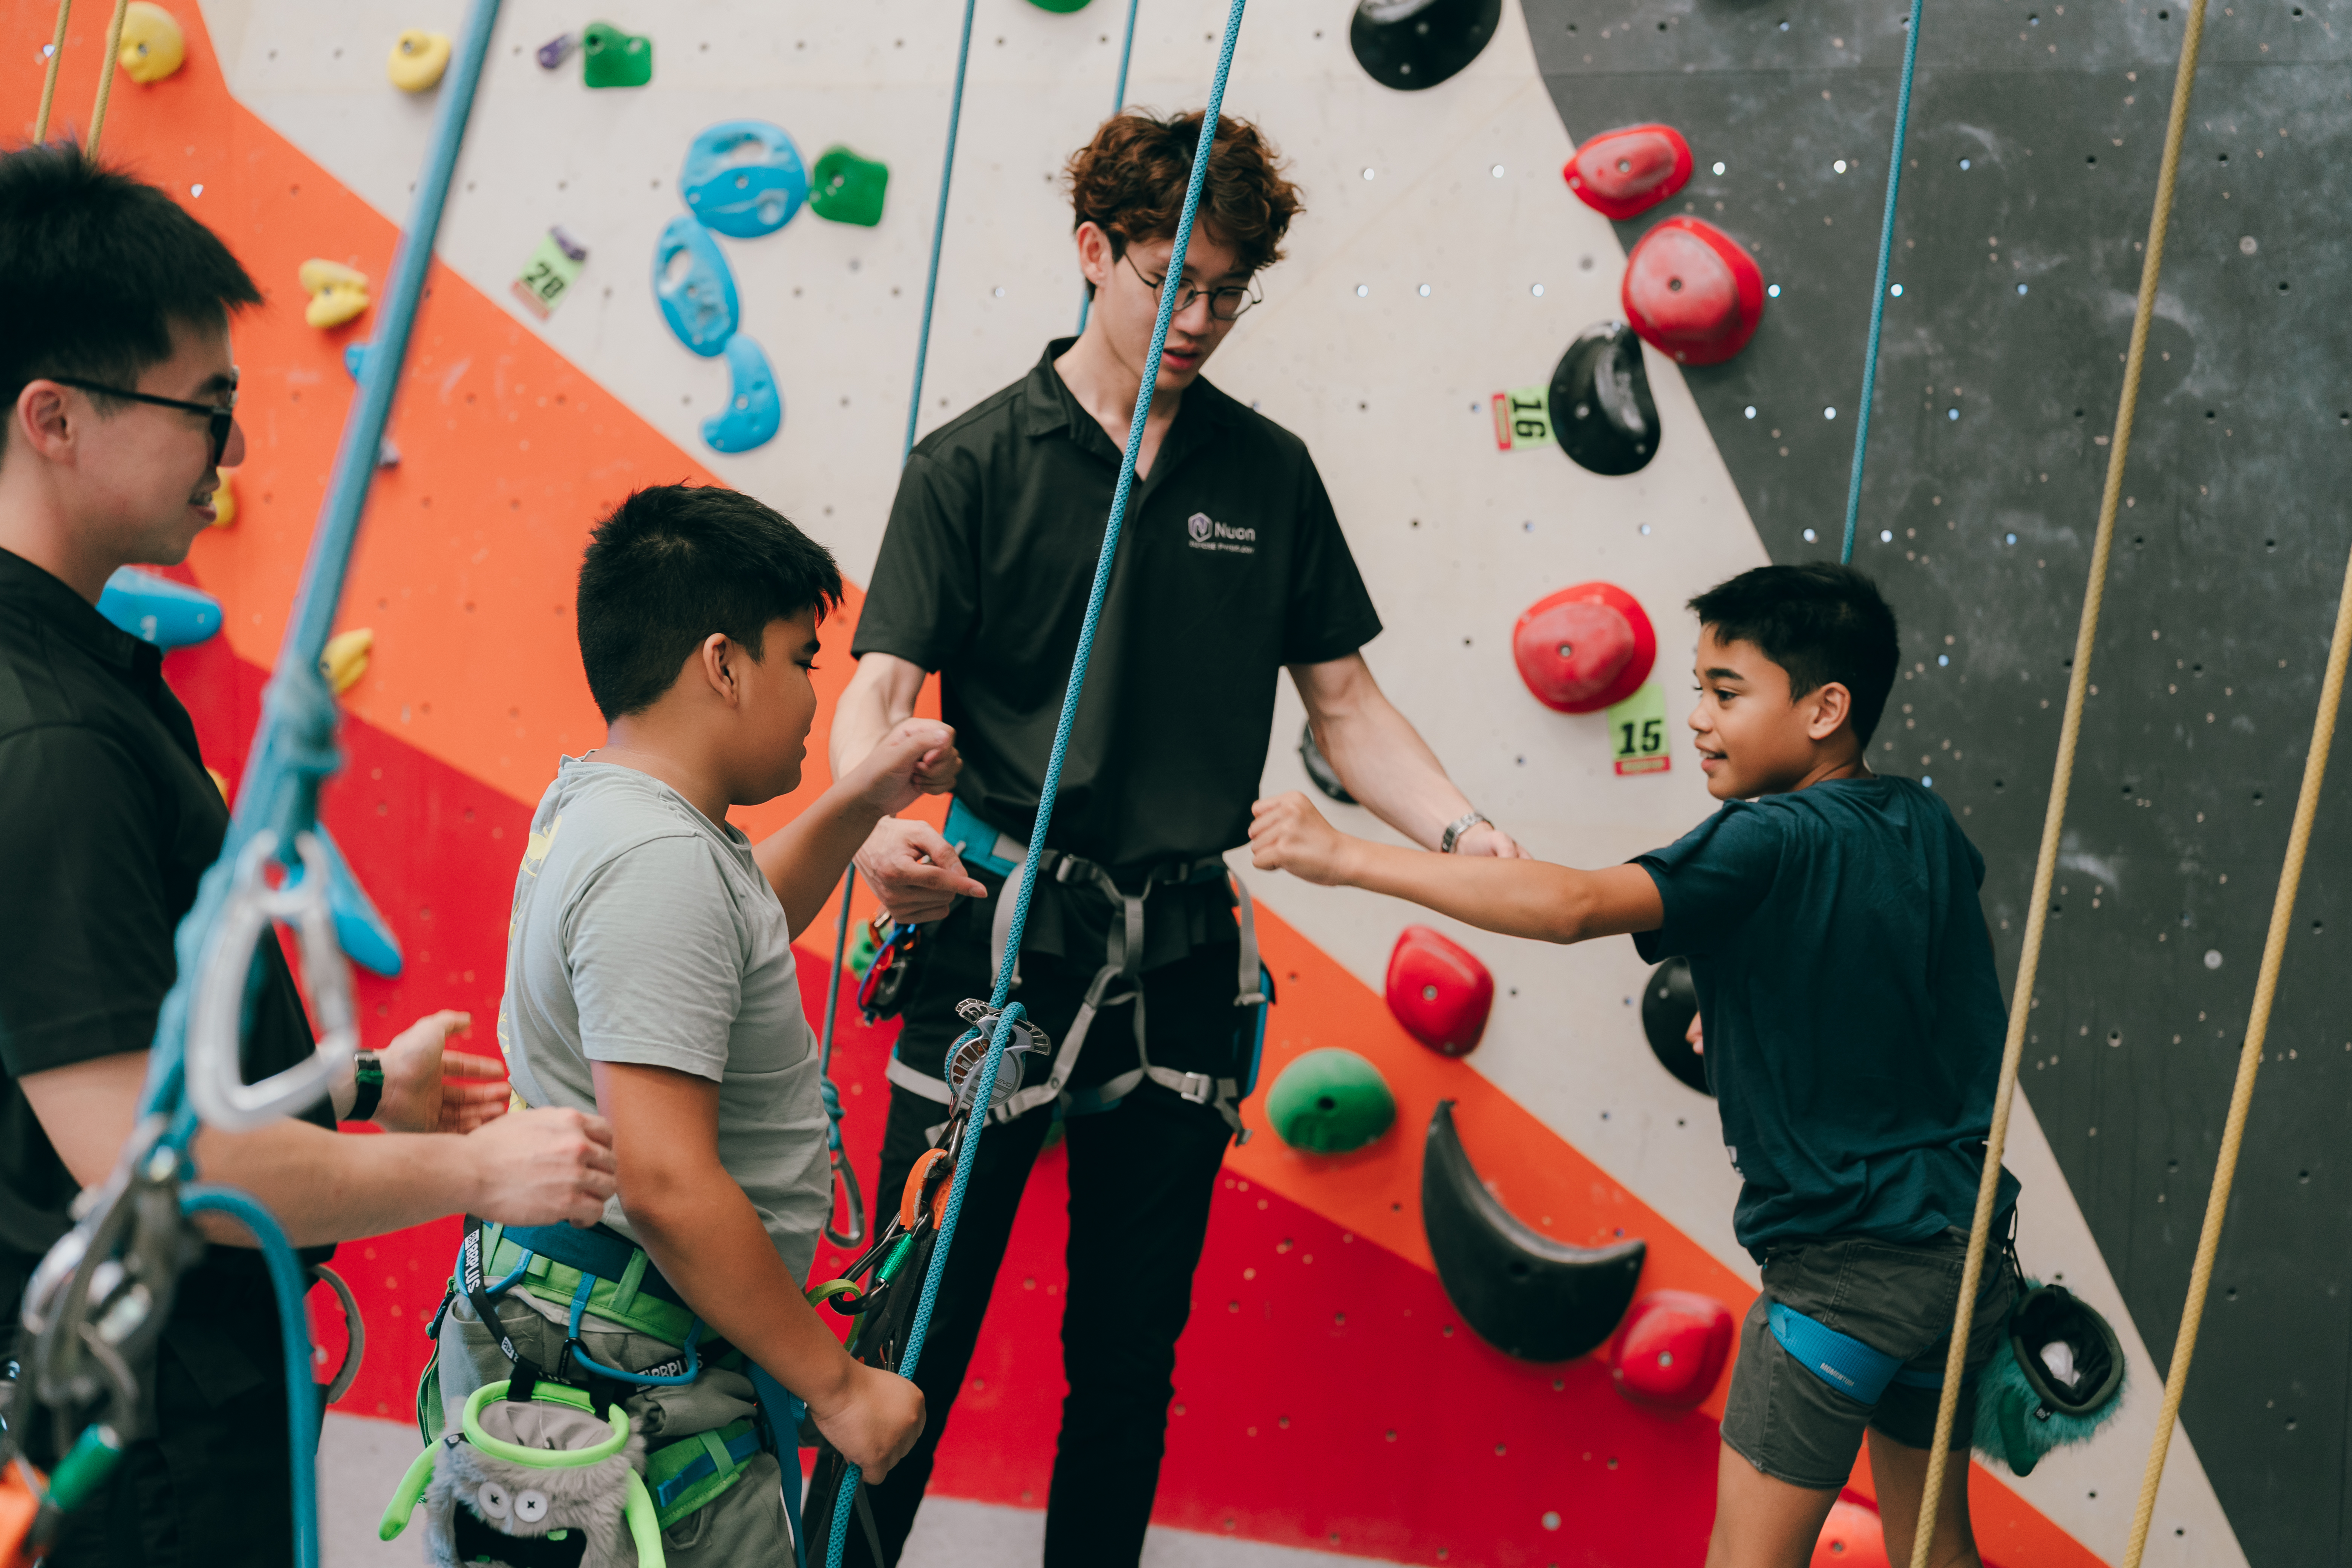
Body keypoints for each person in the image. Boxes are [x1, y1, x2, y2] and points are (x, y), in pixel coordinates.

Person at [828, 109, 1525, 1565]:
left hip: (1186, 954)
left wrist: (1465, 831)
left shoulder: (1264, 473)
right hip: (999, 939)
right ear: (1095, 251)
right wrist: (869, 826)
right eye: (1174, 283)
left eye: (1229, 293)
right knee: (909, 1340)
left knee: (1129, 1358)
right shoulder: (973, 464)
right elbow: (879, 692)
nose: (1201, 321)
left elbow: (1345, 706)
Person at [0, 147, 620, 1568]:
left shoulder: (78, 678)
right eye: (205, 411)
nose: (230, 455)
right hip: (141, 1437)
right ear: (55, 417)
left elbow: (99, 1048)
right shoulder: (48, 738)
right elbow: (156, 1164)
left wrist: (361, 1086)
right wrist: (479, 1176)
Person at [1249, 563, 2021, 1568]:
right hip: (1962, 1258)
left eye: (1726, 693)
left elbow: (1571, 908)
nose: (1698, 717)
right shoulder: (1924, 824)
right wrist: (1752, 1011)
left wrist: (1347, 857)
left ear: (1825, 709)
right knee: (1939, 1553)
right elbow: (1898, 981)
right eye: (1698, 689)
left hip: (1844, 1273)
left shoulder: (1766, 838)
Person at [437, 485, 933, 1563]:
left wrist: (863, 797)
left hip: (588, 1310)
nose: (815, 697)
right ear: (723, 664)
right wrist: (837, 1387)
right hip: (633, 1338)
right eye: (802, 660)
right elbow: (664, 1181)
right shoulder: (658, 861)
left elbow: (728, 935)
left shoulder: (610, 806)